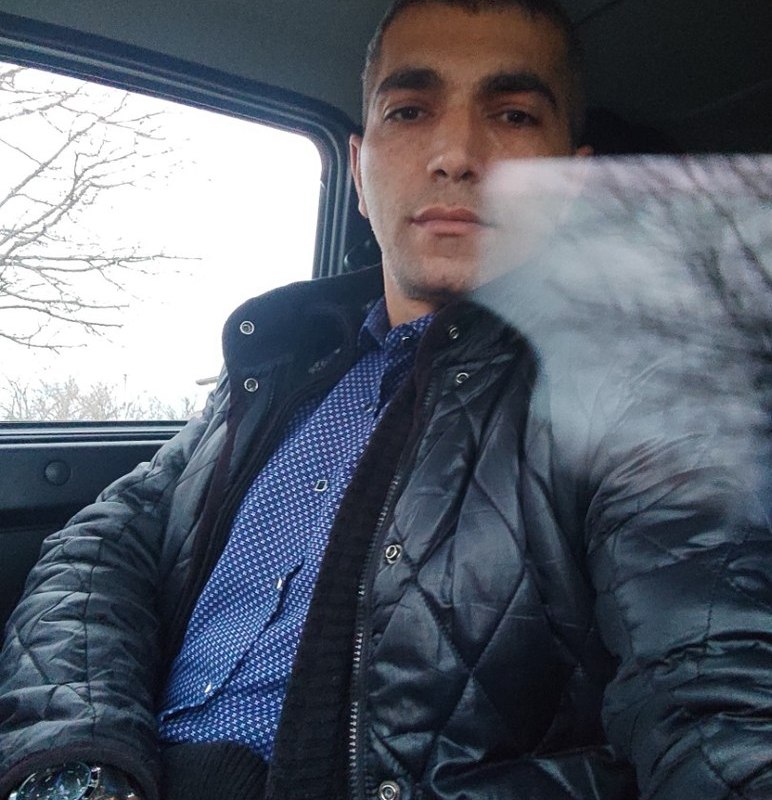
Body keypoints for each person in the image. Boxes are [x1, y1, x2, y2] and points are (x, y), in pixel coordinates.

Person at [1, 1, 770, 799]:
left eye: (512, 114)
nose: (456, 155)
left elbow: (717, 691)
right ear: (359, 172)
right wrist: (79, 764)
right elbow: (97, 551)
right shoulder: (279, 366)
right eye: (409, 111)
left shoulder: (643, 389)